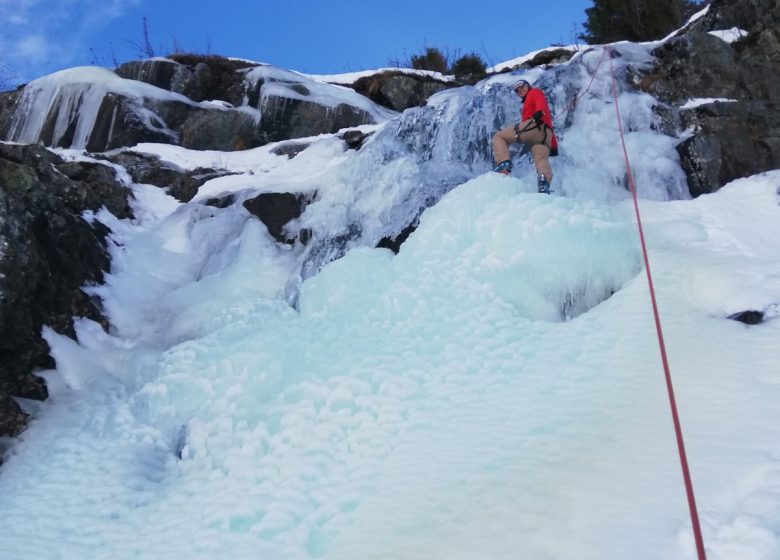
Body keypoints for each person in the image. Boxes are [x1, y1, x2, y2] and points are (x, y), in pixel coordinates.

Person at [492, 78, 558, 193]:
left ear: (528, 86)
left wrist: (539, 112)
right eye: (517, 90)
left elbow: (540, 100)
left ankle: (504, 164)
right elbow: (550, 127)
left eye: (521, 86)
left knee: (499, 137)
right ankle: (544, 183)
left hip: (534, 125)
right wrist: (553, 147)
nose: (519, 90)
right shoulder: (529, 99)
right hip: (545, 136)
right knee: (541, 159)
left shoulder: (534, 92)